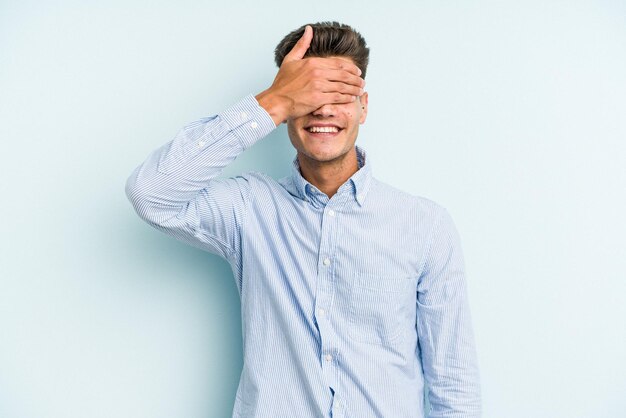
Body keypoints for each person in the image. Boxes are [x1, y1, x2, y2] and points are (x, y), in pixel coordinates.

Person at [126, 21, 481, 418]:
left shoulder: (425, 225)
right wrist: (273, 101)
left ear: (364, 105)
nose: (324, 109)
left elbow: (454, 384)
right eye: (309, 94)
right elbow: (152, 193)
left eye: (340, 95)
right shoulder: (249, 208)